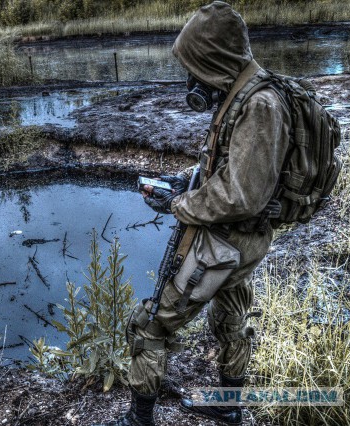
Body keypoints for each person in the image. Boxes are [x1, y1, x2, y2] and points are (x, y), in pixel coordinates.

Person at [97, 2, 292, 425]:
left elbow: (240, 194)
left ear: (216, 59)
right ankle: (226, 406)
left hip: (228, 240)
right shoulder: (242, 93)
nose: (192, 79)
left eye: (196, 67)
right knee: (230, 317)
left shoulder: (260, 106)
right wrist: (186, 179)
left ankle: (138, 420)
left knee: (150, 326)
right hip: (240, 238)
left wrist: (179, 205)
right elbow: (228, 164)